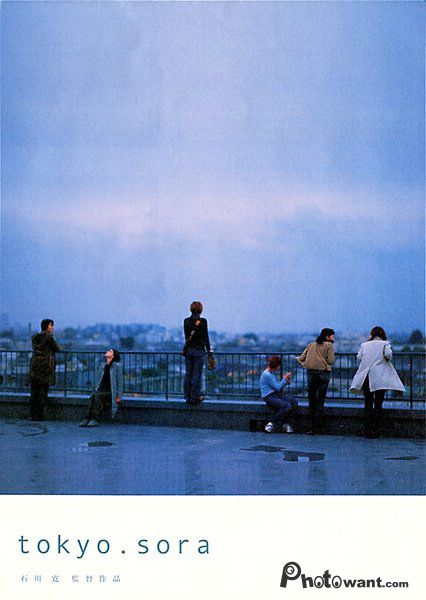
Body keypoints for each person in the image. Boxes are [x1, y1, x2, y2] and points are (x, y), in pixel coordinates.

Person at [350, 326, 405, 438]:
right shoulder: (385, 344)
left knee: (368, 402)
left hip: (367, 376)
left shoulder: (364, 345)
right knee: (378, 403)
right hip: (380, 377)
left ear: (372, 334)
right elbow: (388, 355)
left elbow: (359, 357)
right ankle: (376, 430)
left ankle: (367, 430)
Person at [296, 327, 335, 434]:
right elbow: (330, 360)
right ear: (327, 337)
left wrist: (304, 364)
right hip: (323, 374)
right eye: (332, 337)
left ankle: (311, 427)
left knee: (312, 400)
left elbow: (301, 358)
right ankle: (318, 427)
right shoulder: (329, 345)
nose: (333, 339)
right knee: (320, 400)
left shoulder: (311, 344)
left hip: (311, 373)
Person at [27, 318, 61, 421]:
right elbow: (57, 349)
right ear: (47, 327)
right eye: (51, 325)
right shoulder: (49, 337)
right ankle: (39, 415)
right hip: (45, 366)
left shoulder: (35, 337)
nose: (52, 327)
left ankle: (32, 414)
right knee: (43, 391)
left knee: (34, 391)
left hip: (35, 364)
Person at [79, 348, 123, 427]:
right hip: (102, 390)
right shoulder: (103, 365)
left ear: (113, 355)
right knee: (93, 395)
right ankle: (87, 418)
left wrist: (119, 396)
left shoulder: (117, 366)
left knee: (97, 396)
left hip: (111, 392)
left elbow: (120, 382)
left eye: (110, 351)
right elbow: (98, 379)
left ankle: (95, 419)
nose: (107, 352)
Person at [183, 301, 212, 405]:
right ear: (201, 310)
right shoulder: (203, 321)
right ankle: (195, 397)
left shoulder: (186, 321)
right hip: (199, 350)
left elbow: (187, 337)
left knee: (188, 373)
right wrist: (209, 350)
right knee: (197, 374)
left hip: (189, 351)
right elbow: (206, 337)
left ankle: (187, 396)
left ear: (191, 309)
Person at [259, 355, 298, 433]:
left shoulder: (270, 373)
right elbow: (277, 387)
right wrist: (285, 378)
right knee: (286, 406)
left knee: (294, 401)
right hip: (269, 397)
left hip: (275, 395)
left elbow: (277, 386)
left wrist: (285, 382)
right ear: (278, 366)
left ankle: (285, 423)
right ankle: (271, 424)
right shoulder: (266, 374)